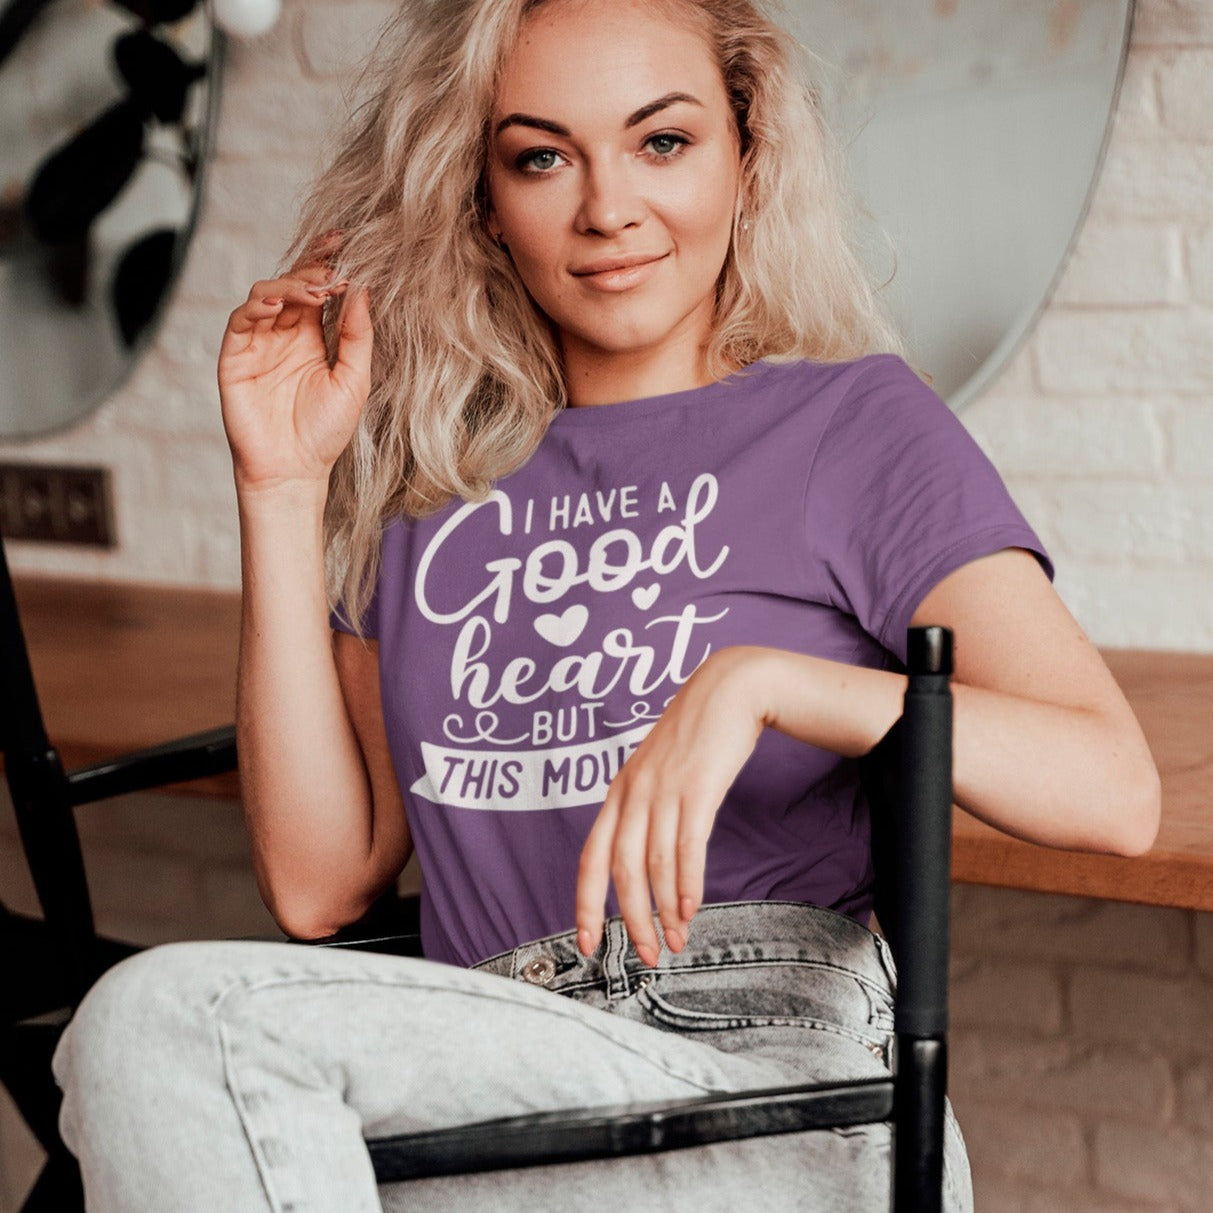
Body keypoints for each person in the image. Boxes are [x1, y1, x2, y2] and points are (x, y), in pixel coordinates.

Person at [50, 0, 1161, 1209]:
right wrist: (278, 486)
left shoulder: (851, 427)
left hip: (775, 1089)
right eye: (542, 158)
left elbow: (1110, 790)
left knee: (159, 1024)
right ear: (483, 199)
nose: (607, 208)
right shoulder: (434, 482)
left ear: (748, 157)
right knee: (158, 1044)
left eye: (662, 142)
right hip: (492, 1078)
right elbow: (322, 882)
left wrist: (769, 684)